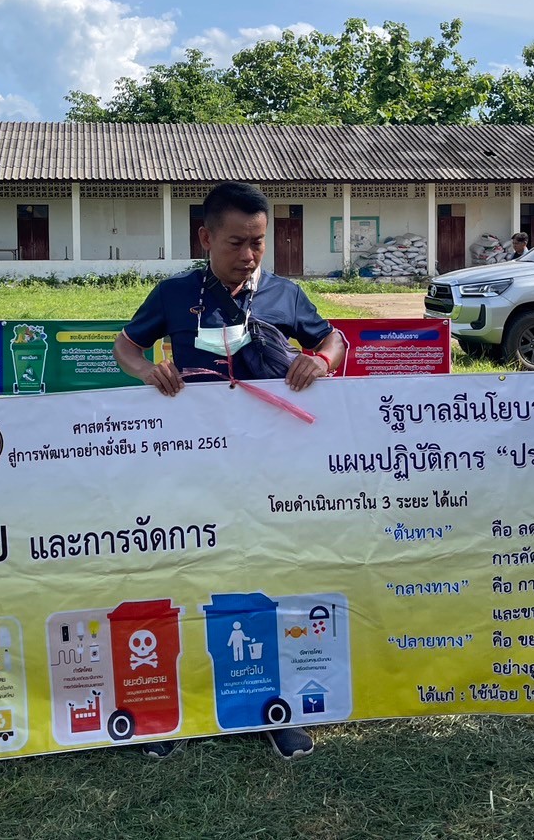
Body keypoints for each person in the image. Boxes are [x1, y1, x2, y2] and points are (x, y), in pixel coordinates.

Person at [113, 182, 346, 760]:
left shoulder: (284, 293)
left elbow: (332, 340)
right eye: (236, 243)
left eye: (258, 242)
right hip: (192, 469)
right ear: (205, 238)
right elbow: (125, 346)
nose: (249, 255)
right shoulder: (174, 294)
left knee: (268, 574)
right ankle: (172, 707)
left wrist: (320, 361)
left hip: (271, 470)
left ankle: (276, 705)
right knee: (186, 574)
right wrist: (146, 372)